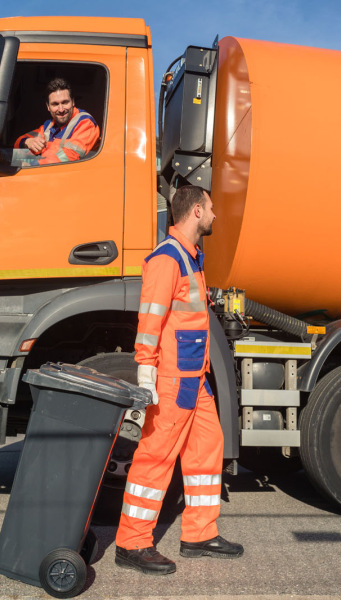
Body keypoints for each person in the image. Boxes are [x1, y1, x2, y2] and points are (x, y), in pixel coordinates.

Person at [114, 185, 243, 575]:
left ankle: (199, 535)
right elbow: (150, 319)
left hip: (194, 379)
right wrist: (146, 371)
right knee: (155, 457)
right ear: (197, 211)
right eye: (212, 208)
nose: (215, 215)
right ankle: (132, 543)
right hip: (172, 379)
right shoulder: (167, 259)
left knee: (207, 448)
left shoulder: (189, 258)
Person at [12, 78, 100, 166]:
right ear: (48, 106)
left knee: (15, 162)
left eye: (65, 102)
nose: (61, 109)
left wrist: (27, 164)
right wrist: (27, 142)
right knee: (8, 155)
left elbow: (67, 157)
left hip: (65, 171)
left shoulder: (85, 122)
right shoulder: (49, 125)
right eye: (55, 104)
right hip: (49, 169)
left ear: (73, 102)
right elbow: (18, 143)